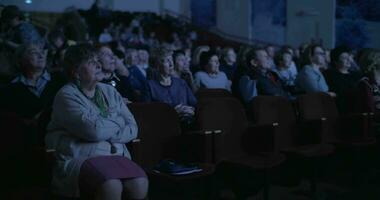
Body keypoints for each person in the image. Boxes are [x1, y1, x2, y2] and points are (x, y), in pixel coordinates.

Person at [45, 44, 148, 199]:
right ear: (76, 72)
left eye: (97, 61)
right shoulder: (66, 95)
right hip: (82, 157)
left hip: (116, 155)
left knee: (140, 183)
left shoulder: (109, 90)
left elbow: (133, 128)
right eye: (92, 63)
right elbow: (94, 131)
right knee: (111, 185)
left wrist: (106, 128)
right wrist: (118, 121)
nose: (99, 65)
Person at [144, 49, 196, 124]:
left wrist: (191, 110)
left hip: (187, 121)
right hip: (164, 125)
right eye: (166, 61)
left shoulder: (181, 82)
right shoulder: (150, 85)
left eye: (171, 59)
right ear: (157, 66)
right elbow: (147, 113)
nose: (171, 64)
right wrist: (173, 112)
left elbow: (194, 103)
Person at [324, 46, 362, 113]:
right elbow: (338, 91)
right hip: (339, 107)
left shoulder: (356, 75)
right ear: (336, 61)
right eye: (344, 58)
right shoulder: (330, 75)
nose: (348, 60)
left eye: (348, 57)